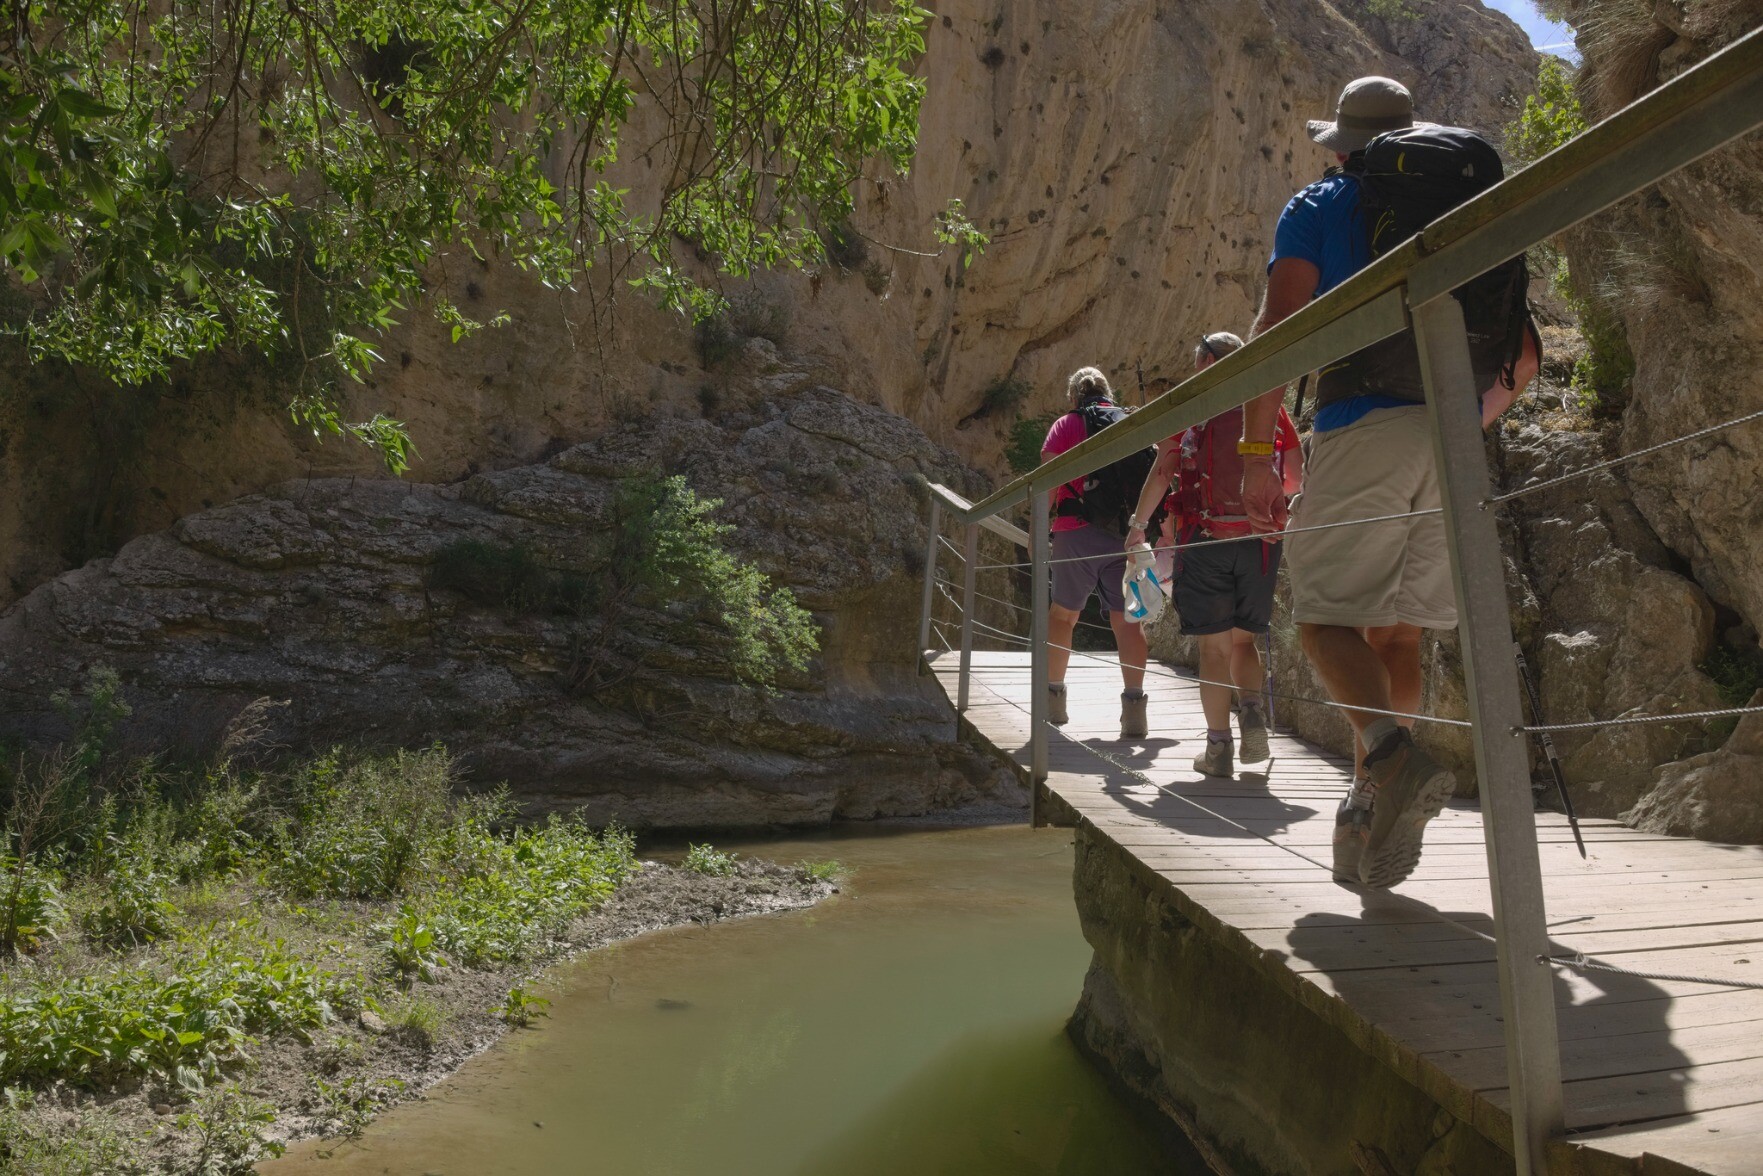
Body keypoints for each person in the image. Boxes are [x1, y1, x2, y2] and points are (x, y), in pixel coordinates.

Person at [1238, 77, 1540, 888]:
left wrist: (1253, 453)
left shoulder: (1319, 202)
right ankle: (1378, 790)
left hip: (1361, 421)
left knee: (1325, 618)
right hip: (1451, 434)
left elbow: (1276, 328)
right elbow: (1526, 357)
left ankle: (1387, 759)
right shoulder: (1462, 205)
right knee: (1398, 632)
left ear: (1341, 145)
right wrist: (1457, 423)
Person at [1125, 333, 1301, 778]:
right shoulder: (1265, 403)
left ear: (1204, 360)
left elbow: (1165, 469)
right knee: (1244, 641)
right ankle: (1253, 709)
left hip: (1203, 538)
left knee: (1213, 649)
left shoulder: (1191, 404)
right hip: (1259, 539)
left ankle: (1218, 748)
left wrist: (1137, 526)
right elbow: (1295, 474)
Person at [1042, 367, 1150, 739]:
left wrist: (1037, 530)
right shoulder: (1127, 422)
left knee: (1063, 616)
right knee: (1128, 622)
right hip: (1123, 535)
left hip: (1074, 534)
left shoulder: (1065, 425)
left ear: (1074, 396)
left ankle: (1053, 703)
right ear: (1108, 393)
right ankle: (1134, 710)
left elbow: (1047, 481)